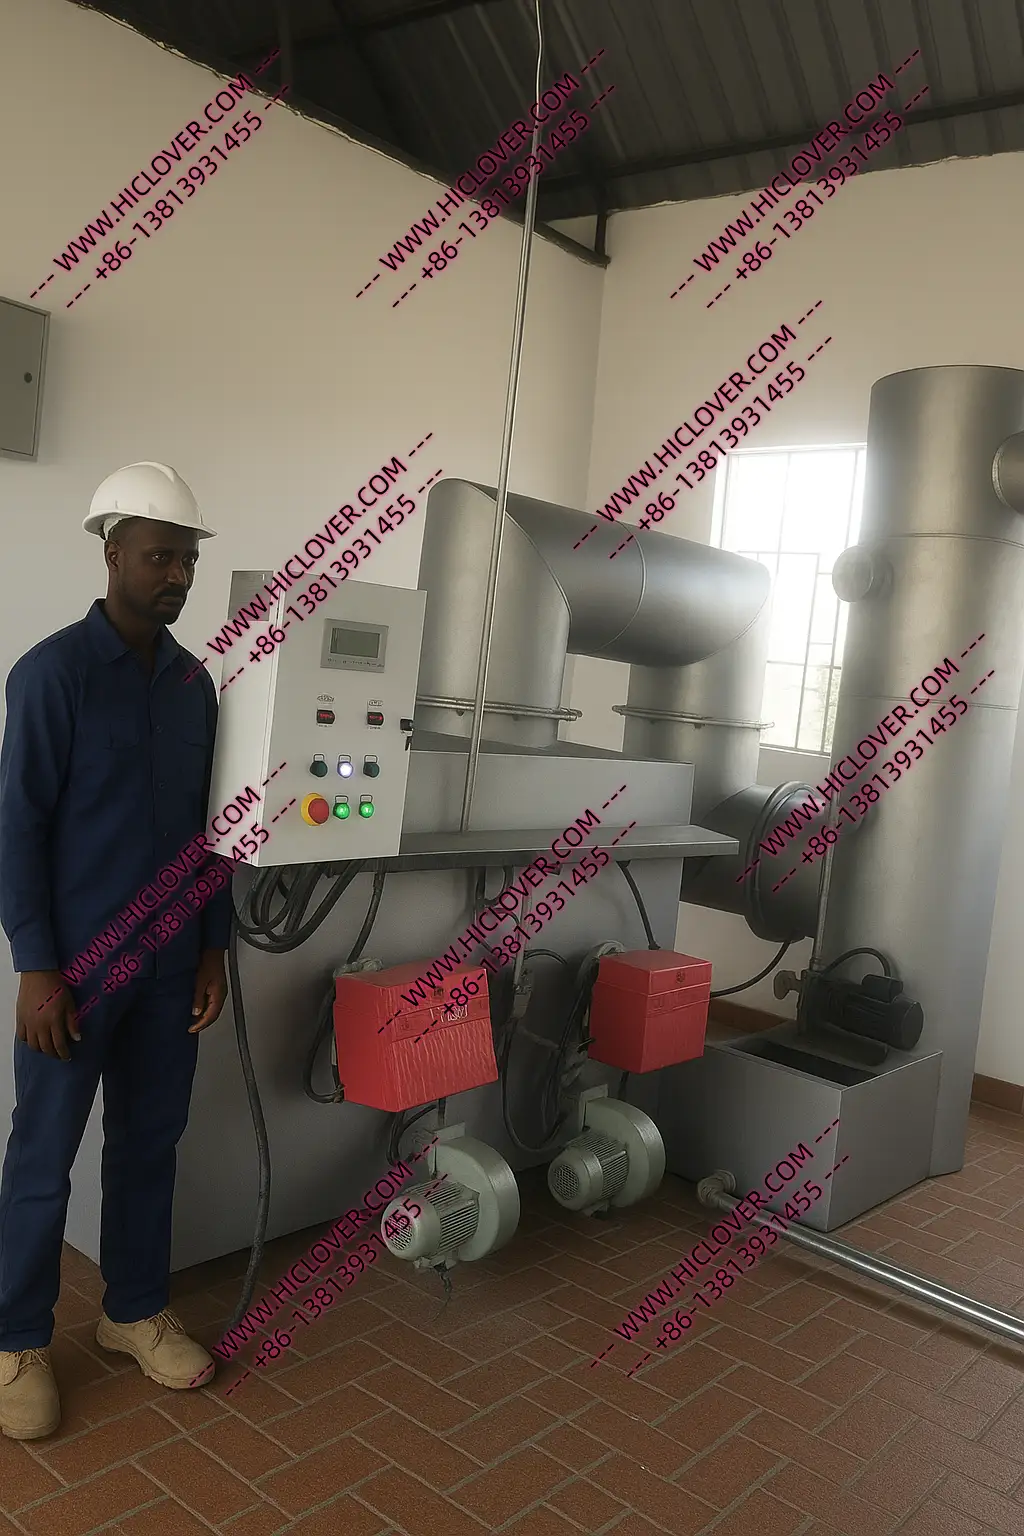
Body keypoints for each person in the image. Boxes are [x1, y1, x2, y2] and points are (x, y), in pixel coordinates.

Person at [0, 463, 233, 1440]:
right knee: (43, 1158)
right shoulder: (52, 674)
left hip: (172, 967)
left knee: (148, 1146)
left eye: (187, 559)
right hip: (79, 974)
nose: (176, 574)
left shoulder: (194, 686)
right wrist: (37, 967)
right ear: (113, 554)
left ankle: (132, 1311)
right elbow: (18, 826)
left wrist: (214, 948)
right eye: (158, 556)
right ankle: (16, 1342)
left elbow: (214, 830)